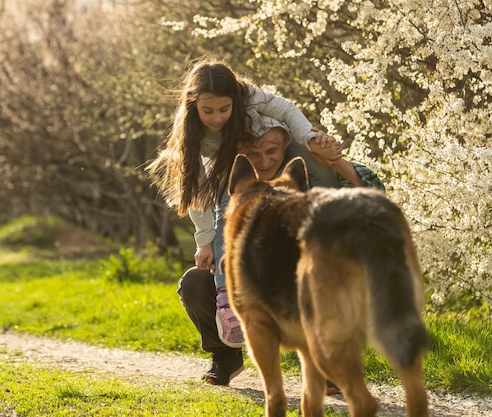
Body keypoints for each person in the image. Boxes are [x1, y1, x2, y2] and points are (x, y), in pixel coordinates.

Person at [147, 57, 344, 385]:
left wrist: (309, 136)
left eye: (223, 110)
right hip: (238, 237)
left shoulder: (253, 102)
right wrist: (204, 242)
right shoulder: (201, 144)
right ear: (193, 104)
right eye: (207, 110)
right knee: (195, 282)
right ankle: (226, 354)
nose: (215, 118)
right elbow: (194, 191)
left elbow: (287, 111)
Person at [177, 115, 385, 388]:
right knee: (194, 282)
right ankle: (226, 355)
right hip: (246, 276)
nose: (264, 161)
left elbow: (375, 195)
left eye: (271, 151)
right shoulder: (234, 184)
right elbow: (212, 223)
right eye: (254, 153)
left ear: (285, 147)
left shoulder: (312, 172)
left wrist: (335, 163)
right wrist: (211, 249)